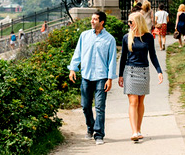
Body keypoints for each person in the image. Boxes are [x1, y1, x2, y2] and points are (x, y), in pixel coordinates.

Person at [68, 11, 118, 145]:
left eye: (95, 19)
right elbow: (77, 53)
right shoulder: (84, 36)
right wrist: (73, 68)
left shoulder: (110, 39)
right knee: (85, 105)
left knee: (100, 107)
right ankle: (90, 127)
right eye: (92, 19)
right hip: (86, 75)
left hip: (102, 77)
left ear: (102, 22)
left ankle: (99, 134)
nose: (92, 21)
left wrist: (110, 79)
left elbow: (112, 60)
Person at [118, 12, 163, 142]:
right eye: (128, 22)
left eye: (131, 22)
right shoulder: (127, 37)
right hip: (130, 71)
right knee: (133, 102)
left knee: (140, 102)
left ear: (138, 22)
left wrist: (159, 71)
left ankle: (138, 129)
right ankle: (134, 132)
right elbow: (123, 58)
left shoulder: (148, 37)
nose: (129, 24)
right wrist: (120, 75)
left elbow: (153, 56)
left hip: (143, 71)